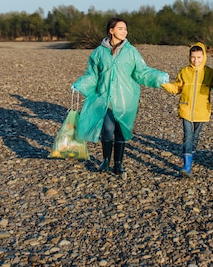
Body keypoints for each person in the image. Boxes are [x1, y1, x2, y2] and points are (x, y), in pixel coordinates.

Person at [71, 17, 169, 179]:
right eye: (121, 28)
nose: (125, 31)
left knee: (121, 130)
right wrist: (79, 84)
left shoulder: (131, 52)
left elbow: (141, 71)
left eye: (125, 29)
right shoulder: (99, 52)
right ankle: (105, 161)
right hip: (105, 98)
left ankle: (118, 164)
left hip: (126, 98)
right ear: (111, 31)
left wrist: (158, 77)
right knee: (108, 130)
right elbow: (93, 75)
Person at [162, 42, 213, 177]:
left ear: (204, 57)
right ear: (189, 57)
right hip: (186, 109)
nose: (196, 60)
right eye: (193, 57)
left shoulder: (209, 73)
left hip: (202, 111)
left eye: (199, 57)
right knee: (187, 137)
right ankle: (186, 166)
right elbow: (176, 88)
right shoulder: (184, 71)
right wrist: (164, 83)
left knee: (195, 138)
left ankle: (190, 158)